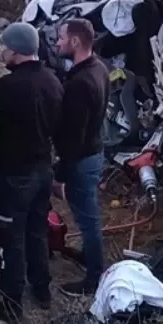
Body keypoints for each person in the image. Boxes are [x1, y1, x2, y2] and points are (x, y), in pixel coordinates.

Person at [0, 23, 62, 322]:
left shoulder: (9, 87)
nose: (1, 52)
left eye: (5, 48)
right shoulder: (52, 80)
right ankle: (42, 289)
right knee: (37, 231)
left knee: (10, 237)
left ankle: (10, 304)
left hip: (15, 174)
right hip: (42, 169)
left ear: (15, 50)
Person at [52, 18, 111, 296]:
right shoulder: (99, 68)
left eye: (60, 37)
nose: (57, 42)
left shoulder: (80, 82)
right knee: (87, 214)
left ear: (75, 41)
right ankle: (89, 256)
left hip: (82, 158)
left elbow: (74, 135)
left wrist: (61, 174)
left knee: (88, 219)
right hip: (94, 151)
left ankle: (94, 278)